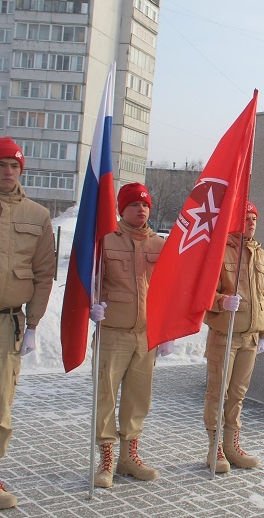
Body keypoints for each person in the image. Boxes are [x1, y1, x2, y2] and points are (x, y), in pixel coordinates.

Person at [0, 137, 55, 509]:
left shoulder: (37, 216)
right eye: (1, 165)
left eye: (14, 165)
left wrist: (34, 324)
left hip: (7, 326)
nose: (8, 172)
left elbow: (43, 274)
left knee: (0, 408)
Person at [88, 183, 169, 488]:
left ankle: (129, 457)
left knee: (138, 399)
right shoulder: (105, 240)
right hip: (113, 334)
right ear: (122, 209)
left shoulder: (159, 245)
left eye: (145, 205)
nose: (141, 209)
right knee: (106, 397)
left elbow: (167, 290)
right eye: (134, 204)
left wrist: (167, 331)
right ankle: (107, 459)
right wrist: (92, 305)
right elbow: (89, 279)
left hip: (145, 337)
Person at [203, 201, 264, 473]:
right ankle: (215, 448)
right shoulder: (220, 253)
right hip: (225, 336)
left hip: (250, 339)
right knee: (218, 393)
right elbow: (203, 293)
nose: (251, 222)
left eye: (254, 218)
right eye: (246, 218)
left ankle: (232, 446)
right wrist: (221, 301)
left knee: (237, 395)